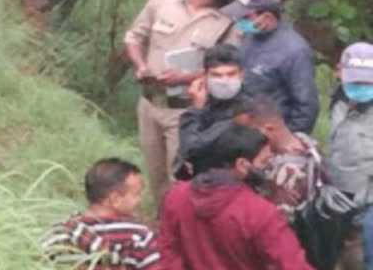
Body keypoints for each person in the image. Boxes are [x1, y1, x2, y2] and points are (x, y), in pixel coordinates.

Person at [123, 0, 251, 203]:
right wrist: (140, 66)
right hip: (149, 103)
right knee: (155, 175)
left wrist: (187, 76)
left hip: (184, 109)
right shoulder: (163, 2)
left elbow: (229, 67)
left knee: (180, 178)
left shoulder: (228, 22)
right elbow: (133, 37)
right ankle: (164, 229)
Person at [159, 124, 314, 270]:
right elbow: (293, 264)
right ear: (241, 165)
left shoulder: (176, 197)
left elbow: (168, 251)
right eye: (264, 161)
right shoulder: (259, 212)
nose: (269, 167)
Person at [248, 93, 353, 270]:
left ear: (268, 129)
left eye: (249, 132)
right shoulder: (305, 142)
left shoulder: (287, 171)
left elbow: (278, 227)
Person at [221, 0, 319, 133]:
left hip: (270, 137)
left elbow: (306, 107)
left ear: (266, 16)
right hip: (243, 131)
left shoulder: (295, 51)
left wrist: (284, 141)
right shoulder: (250, 36)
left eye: (245, 16)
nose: (239, 20)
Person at [41, 158, 160, 269]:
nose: (139, 200)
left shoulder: (60, 232)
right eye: (136, 194)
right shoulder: (140, 237)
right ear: (115, 200)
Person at [174, 43, 252, 179]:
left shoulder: (246, 110)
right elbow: (181, 156)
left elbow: (191, 148)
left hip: (232, 184)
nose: (224, 81)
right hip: (201, 183)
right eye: (216, 75)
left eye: (231, 74)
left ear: (242, 74)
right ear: (204, 75)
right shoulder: (205, 100)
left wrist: (195, 110)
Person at [328, 42, 373, 269]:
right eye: (356, 81)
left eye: (367, 82)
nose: (361, 87)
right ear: (339, 72)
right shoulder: (337, 101)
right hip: (338, 192)